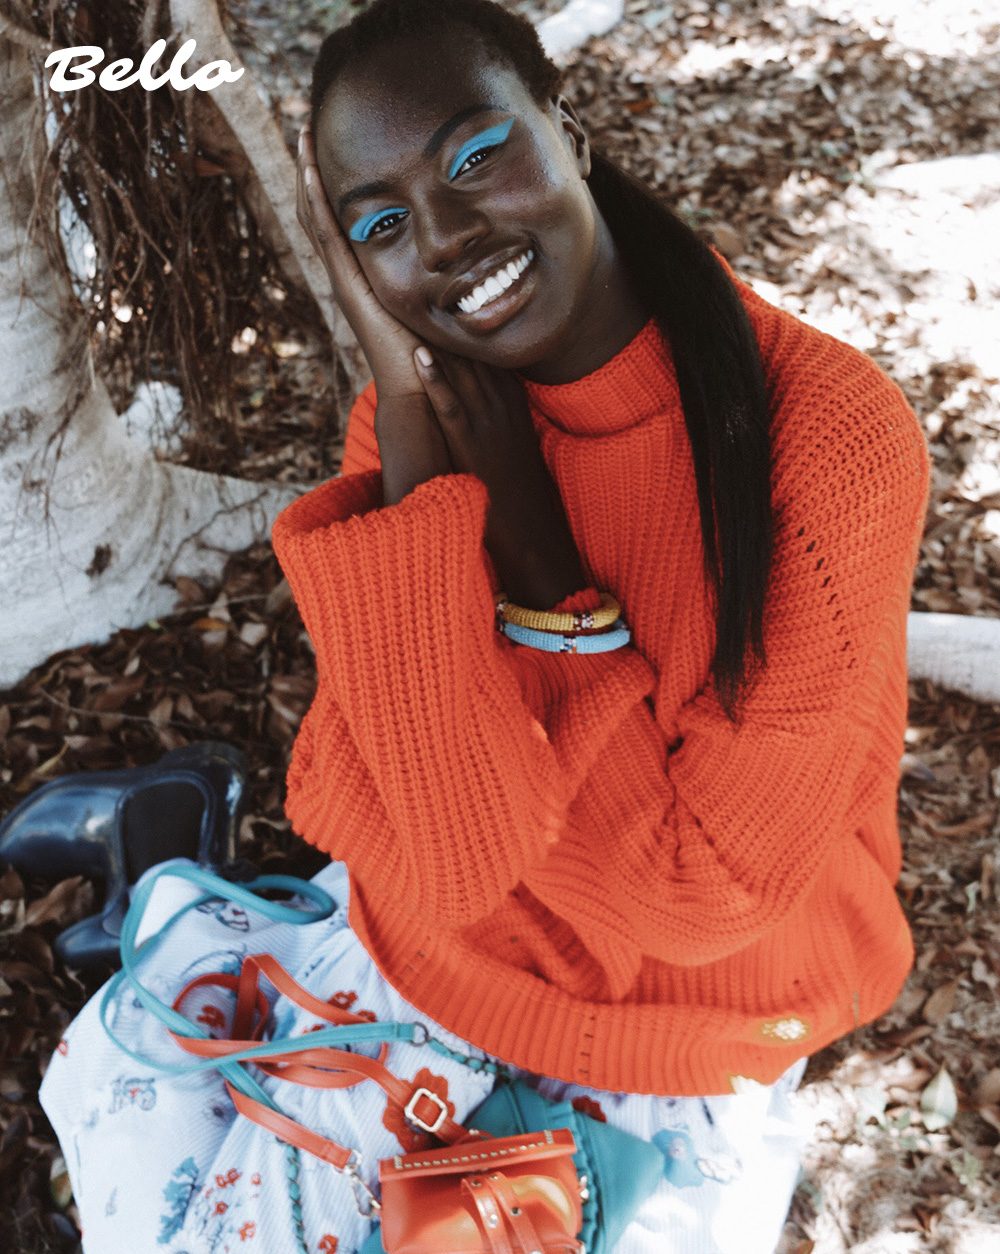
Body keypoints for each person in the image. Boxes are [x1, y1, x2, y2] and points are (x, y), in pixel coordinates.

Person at [38, 0, 932, 1250]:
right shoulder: (416, 426)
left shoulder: (825, 440)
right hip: (447, 962)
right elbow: (413, 838)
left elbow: (699, 903)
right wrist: (409, 427)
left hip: (693, 1018)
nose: (447, 237)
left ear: (567, 126)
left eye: (474, 156)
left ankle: (166, 847)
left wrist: (533, 556)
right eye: (383, 225)